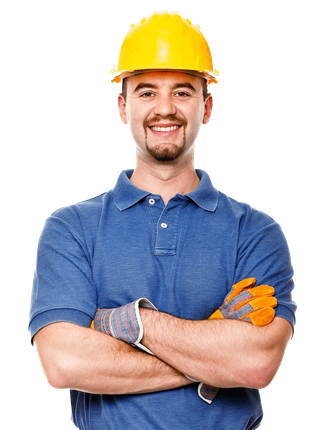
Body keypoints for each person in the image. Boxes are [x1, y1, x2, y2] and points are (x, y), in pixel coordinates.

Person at [28, 9, 297, 429]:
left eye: (183, 92)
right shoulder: (71, 228)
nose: (165, 109)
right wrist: (211, 356)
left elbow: (256, 364)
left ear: (207, 108)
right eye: (148, 92)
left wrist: (131, 322)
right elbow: (64, 363)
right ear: (123, 107)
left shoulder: (256, 233)